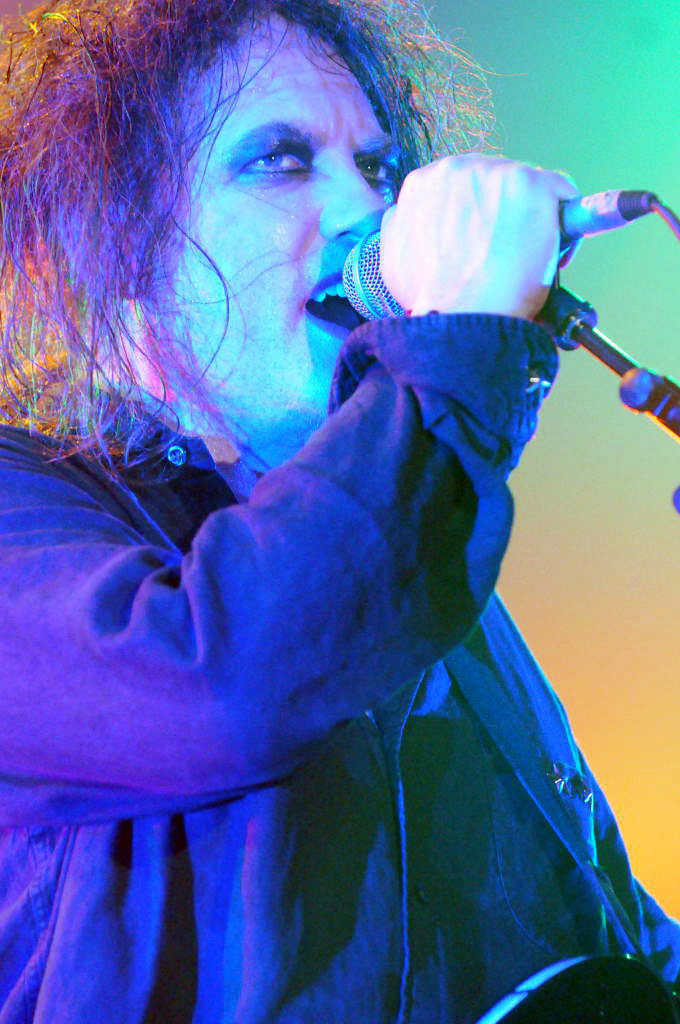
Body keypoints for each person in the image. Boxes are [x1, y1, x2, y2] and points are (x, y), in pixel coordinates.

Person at [0, 1, 677, 1022]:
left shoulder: (417, 555)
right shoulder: (29, 507)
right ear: (120, 255)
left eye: (376, 165)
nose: (371, 208)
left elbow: (607, 930)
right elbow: (217, 678)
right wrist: (464, 341)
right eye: (280, 161)